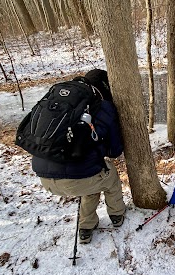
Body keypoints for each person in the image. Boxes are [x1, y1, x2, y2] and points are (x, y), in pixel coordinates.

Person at [32, 69, 126, 244]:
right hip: (79, 179)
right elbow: (115, 151)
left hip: (44, 179)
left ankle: (86, 227)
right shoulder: (103, 107)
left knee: (91, 180)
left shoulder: (60, 103)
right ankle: (117, 214)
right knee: (109, 177)